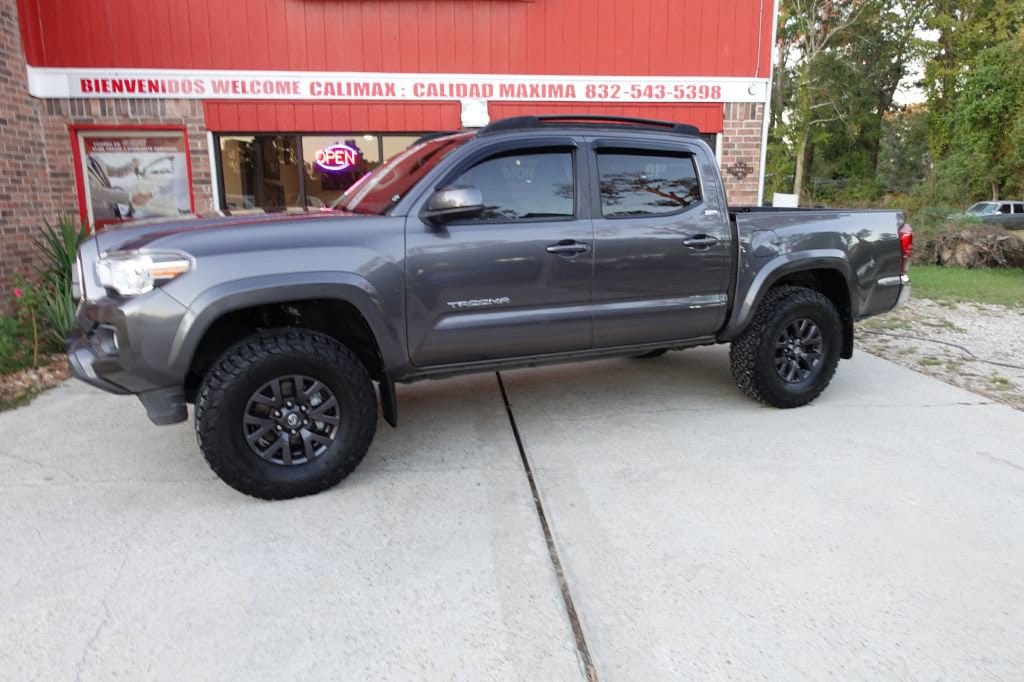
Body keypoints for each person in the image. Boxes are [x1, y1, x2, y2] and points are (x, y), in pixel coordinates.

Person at [87, 155, 152, 221]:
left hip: (109, 207)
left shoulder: (94, 158)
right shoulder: (78, 165)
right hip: (96, 212)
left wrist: (132, 165)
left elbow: (117, 172)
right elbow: (97, 192)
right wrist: (131, 196)